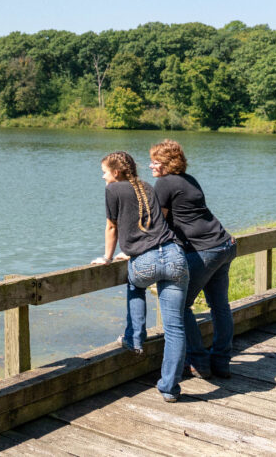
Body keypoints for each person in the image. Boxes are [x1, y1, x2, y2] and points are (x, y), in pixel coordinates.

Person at [92, 151, 188, 402]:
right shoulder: (146, 186)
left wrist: (108, 257)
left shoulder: (113, 189)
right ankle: (169, 388)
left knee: (135, 284)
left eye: (104, 172)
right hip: (175, 255)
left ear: (115, 172)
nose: (102, 177)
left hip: (145, 260)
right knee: (175, 327)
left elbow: (112, 226)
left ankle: (134, 339)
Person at [150, 139, 236, 379]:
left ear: (167, 164)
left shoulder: (164, 184)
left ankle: (198, 361)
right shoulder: (190, 180)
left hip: (203, 250)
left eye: (155, 162)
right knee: (220, 306)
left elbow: (158, 223)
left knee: (179, 306)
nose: (151, 166)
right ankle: (221, 362)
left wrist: (133, 248)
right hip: (224, 244)